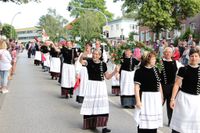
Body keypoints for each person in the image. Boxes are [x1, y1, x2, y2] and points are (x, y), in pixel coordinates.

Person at [80, 49, 118, 133]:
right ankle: (90, 124)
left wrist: (114, 72)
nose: (95, 55)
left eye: (97, 54)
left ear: (100, 56)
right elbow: (81, 62)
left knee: (102, 104)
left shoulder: (103, 64)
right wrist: (83, 55)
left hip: (101, 86)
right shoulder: (88, 61)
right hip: (91, 85)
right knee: (91, 104)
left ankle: (104, 126)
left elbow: (107, 77)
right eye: (94, 54)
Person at [170, 48, 200, 133]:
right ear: (189, 57)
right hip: (184, 99)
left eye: (196, 56)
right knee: (181, 125)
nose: (194, 58)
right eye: (191, 56)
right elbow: (176, 84)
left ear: (199, 57)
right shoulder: (183, 69)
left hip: (196, 101)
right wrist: (172, 99)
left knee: (194, 126)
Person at [134, 51, 163, 133]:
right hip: (145, 98)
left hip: (155, 98)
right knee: (143, 123)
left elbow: (159, 84)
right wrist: (138, 101)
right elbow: (136, 87)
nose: (155, 61)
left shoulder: (156, 70)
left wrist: (161, 97)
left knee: (153, 124)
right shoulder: (139, 71)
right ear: (148, 59)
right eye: (153, 59)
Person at [160, 47, 179, 126]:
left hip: (172, 87)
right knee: (159, 104)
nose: (167, 53)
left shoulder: (176, 63)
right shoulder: (160, 62)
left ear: (172, 54)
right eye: (166, 52)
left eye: (169, 52)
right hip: (162, 86)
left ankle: (171, 121)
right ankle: (156, 120)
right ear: (164, 53)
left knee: (170, 105)